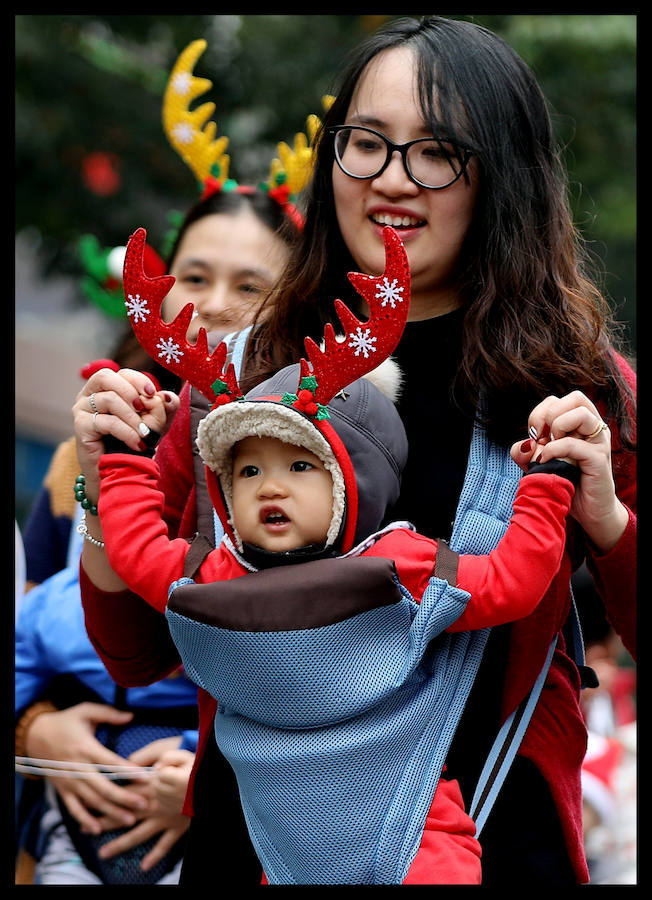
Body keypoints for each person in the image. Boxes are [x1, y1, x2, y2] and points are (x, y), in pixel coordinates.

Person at [73, 16, 636, 886]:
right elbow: (139, 653)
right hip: (253, 849)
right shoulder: (238, 370)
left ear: (505, 174)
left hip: (487, 845)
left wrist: (605, 517)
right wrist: (107, 492)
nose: (391, 182)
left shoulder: (579, 389)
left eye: (436, 151)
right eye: (366, 143)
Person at [91, 229, 582, 883]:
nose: (271, 485)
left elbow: (513, 583)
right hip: (272, 838)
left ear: (353, 483)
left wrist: (549, 481)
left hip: (410, 837)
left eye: (300, 464)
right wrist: (121, 458)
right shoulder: (208, 572)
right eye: (246, 471)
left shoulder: (397, 565)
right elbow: (131, 546)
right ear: (222, 496)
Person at [16, 185, 299, 885]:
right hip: (67, 824)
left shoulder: (308, 468)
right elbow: (28, 631)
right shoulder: (78, 454)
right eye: (193, 277)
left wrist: (213, 780)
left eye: (250, 283)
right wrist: (34, 730)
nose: (211, 302)